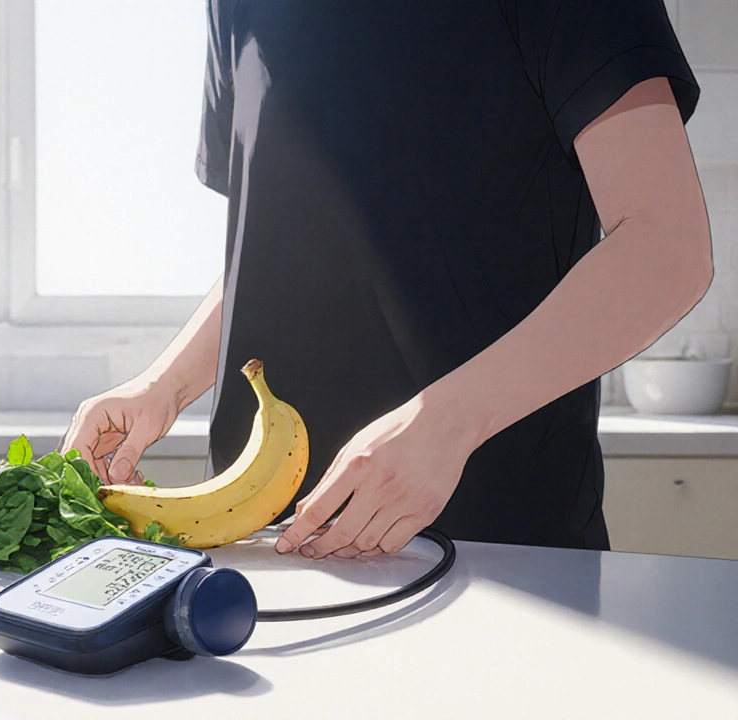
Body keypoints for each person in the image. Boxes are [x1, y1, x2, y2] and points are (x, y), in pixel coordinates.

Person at [60, 0, 712, 560]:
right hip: (259, 559)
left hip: (503, 556)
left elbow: (666, 247)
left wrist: (444, 424)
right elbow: (283, 249)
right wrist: (163, 387)